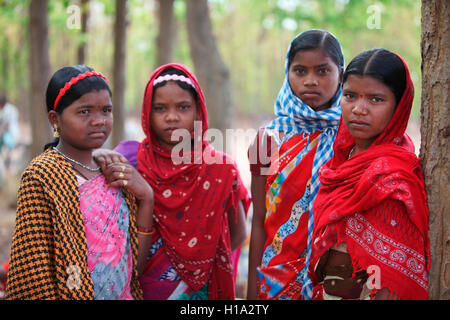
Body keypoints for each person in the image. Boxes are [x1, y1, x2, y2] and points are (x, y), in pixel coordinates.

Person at [93, 63, 251, 300]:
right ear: (147, 111)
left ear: (198, 111)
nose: (171, 117)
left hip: (200, 291)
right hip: (139, 287)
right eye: (160, 108)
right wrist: (95, 156)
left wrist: (197, 255)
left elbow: (238, 233)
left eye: (183, 107)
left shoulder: (220, 168)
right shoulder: (129, 159)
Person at [6, 65, 154, 300]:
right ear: (55, 119)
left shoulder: (114, 169)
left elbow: (133, 267)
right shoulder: (42, 176)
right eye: (85, 112)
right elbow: (34, 270)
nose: (98, 121)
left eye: (106, 110)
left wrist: (146, 197)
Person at [308, 49, 430, 300]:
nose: (358, 109)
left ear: (399, 106)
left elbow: (391, 283)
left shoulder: (396, 177)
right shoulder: (339, 163)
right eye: (350, 96)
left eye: (375, 99)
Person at [247, 29, 345, 300]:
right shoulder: (268, 139)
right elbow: (258, 221)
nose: (311, 81)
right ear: (287, 73)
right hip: (276, 281)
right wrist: (252, 294)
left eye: (323, 71)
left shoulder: (352, 138)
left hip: (335, 282)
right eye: (300, 71)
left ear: (341, 74)